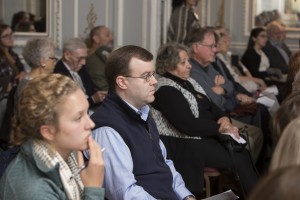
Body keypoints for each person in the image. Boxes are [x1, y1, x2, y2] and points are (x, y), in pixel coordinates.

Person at [86, 45, 195, 199]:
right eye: (146, 76)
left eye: (153, 74)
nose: (154, 81)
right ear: (122, 82)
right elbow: (124, 192)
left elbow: (164, 163)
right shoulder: (107, 129)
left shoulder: (143, 111)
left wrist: (185, 196)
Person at [151, 42, 259, 195]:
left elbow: (211, 106)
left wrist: (224, 118)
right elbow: (188, 125)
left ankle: (253, 193)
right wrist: (220, 128)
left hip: (205, 135)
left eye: (188, 61)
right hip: (185, 143)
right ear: (169, 66)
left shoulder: (189, 82)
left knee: (243, 152)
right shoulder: (166, 89)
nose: (189, 66)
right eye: (183, 62)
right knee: (239, 159)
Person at [0, 74, 105, 199]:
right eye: (78, 118)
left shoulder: (68, 153)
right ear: (48, 131)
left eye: (86, 113)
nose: (91, 124)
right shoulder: (33, 190)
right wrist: (93, 189)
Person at [186, 27, 265, 162]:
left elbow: (229, 84)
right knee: (252, 136)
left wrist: (222, 90)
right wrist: (227, 95)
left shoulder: (209, 66)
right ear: (195, 47)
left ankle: (250, 172)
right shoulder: (192, 72)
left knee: (258, 131)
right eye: (211, 46)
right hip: (215, 122)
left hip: (226, 114)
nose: (215, 50)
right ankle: (241, 176)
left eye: (215, 46)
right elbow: (214, 103)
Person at [54, 37, 107, 109]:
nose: (84, 62)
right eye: (80, 58)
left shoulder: (81, 68)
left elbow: (91, 89)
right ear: (67, 55)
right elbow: (68, 105)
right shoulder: (58, 73)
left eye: (85, 58)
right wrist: (93, 100)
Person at [0, 24, 25, 135]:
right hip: (3, 97)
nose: (10, 38)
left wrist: (23, 74)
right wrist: (19, 78)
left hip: (14, 93)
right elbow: (6, 82)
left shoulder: (13, 54)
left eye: (11, 34)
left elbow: (22, 73)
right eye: (6, 36)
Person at [86, 26, 113, 90]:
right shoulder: (91, 59)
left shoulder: (106, 54)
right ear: (96, 39)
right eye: (107, 35)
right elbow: (102, 86)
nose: (111, 38)